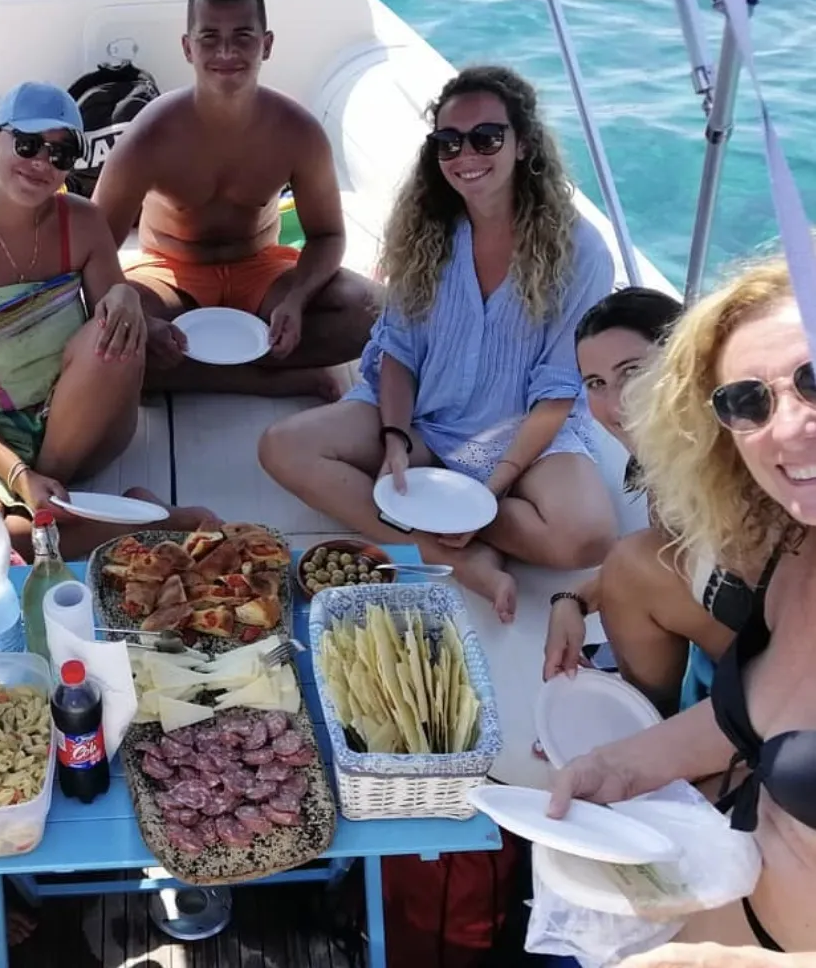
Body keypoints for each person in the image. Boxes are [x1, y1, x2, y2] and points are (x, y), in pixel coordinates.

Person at [258, 65, 617, 622]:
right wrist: (396, 441)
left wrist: (490, 491)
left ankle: (441, 509)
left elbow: (557, 391)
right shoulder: (424, 229)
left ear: (523, 144)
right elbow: (398, 351)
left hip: (521, 431)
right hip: (423, 418)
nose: (465, 154)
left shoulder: (582, 252)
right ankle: (452, 555)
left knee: (588, 536)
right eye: (448, 142)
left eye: (486, 138)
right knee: (282, 447)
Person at [549, 255, 816, 954]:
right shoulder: (796, 549)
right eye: (747, 401)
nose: (788, 428)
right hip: (726, 889)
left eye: (812, 380)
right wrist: (619, 765)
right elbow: (746, 715)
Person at [0, 80, 218, 559]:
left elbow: (114, 325)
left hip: (83, 426)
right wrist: (19, 475)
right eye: (28, 144)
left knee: (112, 327)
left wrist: (126, 298)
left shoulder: (83, 220)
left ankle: (48, 499)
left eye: (60, 153)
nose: (41, 163)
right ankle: (151, 520)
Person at [91, 0, 382, 397]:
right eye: (209, 37)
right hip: (168, 277)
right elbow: (94, 246)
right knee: (107, 339)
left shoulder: (297, 132)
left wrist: (297, 300)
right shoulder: (150, 135)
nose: (226, 51)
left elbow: (327, 235)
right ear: (188, 48)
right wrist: (141, 320)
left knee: (375, 312)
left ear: (267, 44)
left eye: (243, 36)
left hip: (263, 272)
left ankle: (203, 369)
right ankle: (280, 380)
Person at [543, 287, 773, 714]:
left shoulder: (743, 467)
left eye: (632, 372)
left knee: (631, 564)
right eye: (596, 383)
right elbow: (675, 559)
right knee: (630, 564)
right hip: (741, 644)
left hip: (781, 677)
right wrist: (571, 599)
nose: (616, 403)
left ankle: (651, 723)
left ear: (684, 359)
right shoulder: (668, 459)